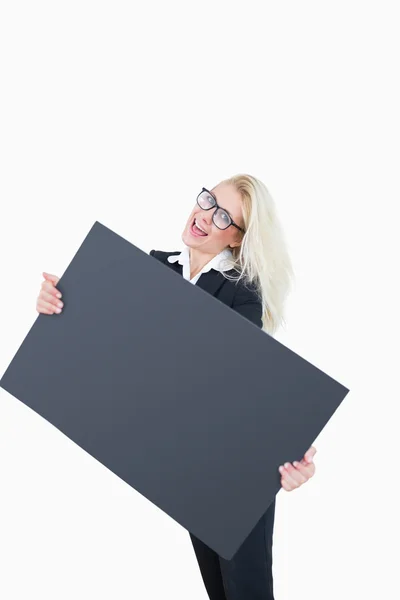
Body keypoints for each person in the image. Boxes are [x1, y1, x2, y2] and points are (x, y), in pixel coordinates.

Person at [36, 173, 317, 600]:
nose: (205, 215)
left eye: (224, 216)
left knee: (249, 591)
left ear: (237, 240)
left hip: (238, 467)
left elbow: (242, 383)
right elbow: (114, 352)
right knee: (219, 591)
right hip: (192, 467)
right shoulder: (151, 266)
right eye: (208, 200)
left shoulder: (244, 294)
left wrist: (292, 448)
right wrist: (61, 305)